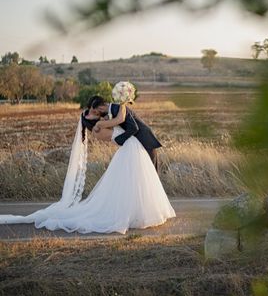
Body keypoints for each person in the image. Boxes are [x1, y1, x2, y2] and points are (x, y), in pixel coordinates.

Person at [0, 105, 176, 234]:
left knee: (132, 183)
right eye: (90, 114)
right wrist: (109, 118)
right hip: (130, 150)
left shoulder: (100, 126)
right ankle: (138, 213)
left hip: (131, 150)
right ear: (89, 119)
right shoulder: (100, 127)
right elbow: (122, 127)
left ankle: (138, 211)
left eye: (92, 111)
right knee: (135, 182)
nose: (94, 114)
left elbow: (120, 122)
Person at [86, 95, 162, 172]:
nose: (97, 114)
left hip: (145, 139)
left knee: (152, 169)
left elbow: (134, 127)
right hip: (137, 141)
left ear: (101, 108)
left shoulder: (118, 108)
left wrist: (119, 139)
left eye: (96, 112)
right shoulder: (112, 110)